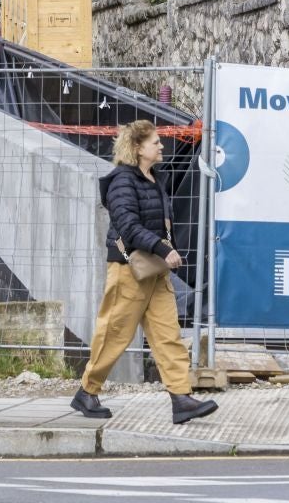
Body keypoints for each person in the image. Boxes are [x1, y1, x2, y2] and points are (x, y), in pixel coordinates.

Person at [73, 119, 219, 425]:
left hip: (155, 270)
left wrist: (164, 252)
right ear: (138, 148)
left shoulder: (153, 178)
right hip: (128, 270)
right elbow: (128, 226)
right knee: (114, 333)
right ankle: (87, 391)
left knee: (168, 335)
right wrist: (165, 250)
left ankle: (181, 398)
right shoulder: (122, 181)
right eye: (155, 141)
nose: (161, 145)